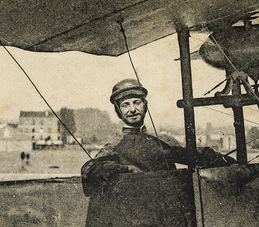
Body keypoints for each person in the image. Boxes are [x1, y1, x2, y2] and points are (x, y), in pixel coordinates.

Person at [80, 79, 233, 196]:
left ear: (145, 106)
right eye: (125, 105)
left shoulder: (163, 140)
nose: (132, 109)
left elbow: (197, 155)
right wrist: (127, 169)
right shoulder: (115, 145)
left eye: (136, 103)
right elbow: (90, 169)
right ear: (118, 111)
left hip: (172, 209)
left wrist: (234, 165)